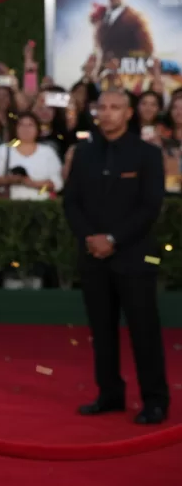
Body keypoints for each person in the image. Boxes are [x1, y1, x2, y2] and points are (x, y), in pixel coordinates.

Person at [64, 89, 169, 424]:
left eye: (115, 107)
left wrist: (112, 239)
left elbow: (150, 207)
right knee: (102, 331)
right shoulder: (84, 153)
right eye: (102, 107)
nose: (107, 113)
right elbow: (71, 202)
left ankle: (155, 400)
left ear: (128, 113)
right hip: (93, 257)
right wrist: (91, 240)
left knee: (144, 331)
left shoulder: (148, 155)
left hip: (135, 258)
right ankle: (109, 394)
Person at [90, 0, 154, 69]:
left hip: (128, 79)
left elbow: (148, 53)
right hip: (104, 79)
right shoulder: (101, 21)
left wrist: (121, 63)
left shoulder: (137, 19)